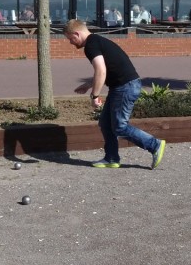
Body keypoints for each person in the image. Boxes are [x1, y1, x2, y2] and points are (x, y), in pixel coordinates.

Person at [63, 19, 166, 169]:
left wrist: (94, 96)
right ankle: (111, 158)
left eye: (70, 39)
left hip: (125, 86)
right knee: (105, 124)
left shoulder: (91, 45)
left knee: (119, 126)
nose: (71, 43)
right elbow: (108, 68)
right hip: (122, 86)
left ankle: (154, 145)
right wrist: (88, 84)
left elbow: (101, 70)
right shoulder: (97, 41)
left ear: (76, 34)